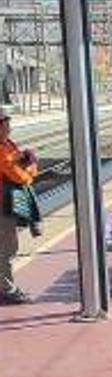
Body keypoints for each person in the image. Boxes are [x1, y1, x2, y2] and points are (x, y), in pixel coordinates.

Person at [0, 105, 40, 305]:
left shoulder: (7, 144)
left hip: (5, 203)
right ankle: (6, 289)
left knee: (8, 247)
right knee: (7, 248)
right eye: (6, 124)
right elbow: (19, 176)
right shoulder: (1, 148)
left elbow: (16, 163)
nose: (9, 128)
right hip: (1, 206)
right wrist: (32, 168)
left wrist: (24, 158)